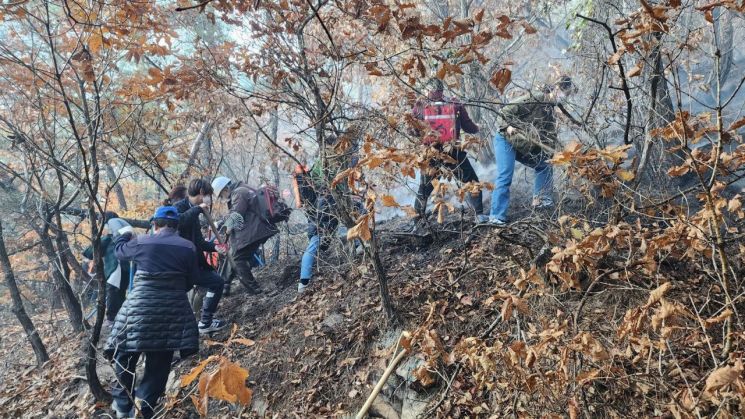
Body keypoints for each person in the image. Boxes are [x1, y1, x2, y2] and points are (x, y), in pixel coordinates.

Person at [105, 206, 200, 419]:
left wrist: (124, 236)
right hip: (172, 312)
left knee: (124, 355)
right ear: (176, 226)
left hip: (139, 308)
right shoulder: (188, 247)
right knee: (160, 361)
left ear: (154, 224)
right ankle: (145, 407)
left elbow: (120, 252)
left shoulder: (142, 241)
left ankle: (122, 407)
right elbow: (193, 279)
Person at [489, 76, 577, 226]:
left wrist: (557, 156)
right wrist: (508, 126)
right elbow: (504, 112)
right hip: (506, 140)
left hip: (524, 146)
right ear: (556, 88)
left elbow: (548, 138)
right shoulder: (535, 98)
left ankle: (542, 200)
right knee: (505, 175)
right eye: (563, 92)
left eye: (567, 95)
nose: (564, 97)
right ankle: (496, 216)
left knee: (545, 164)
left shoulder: (549, 112)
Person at [412, 78, 486, 225]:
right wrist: (478, 127)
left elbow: (413, 130)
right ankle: (480, 216)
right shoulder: (455, 103)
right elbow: (468, 127)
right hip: (453, 151)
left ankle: (417, 222)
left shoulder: (419, 106)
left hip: (431, 153)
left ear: (427, 91)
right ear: (442, 91)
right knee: (471, 181)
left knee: (425, 188)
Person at [172, 178, 227, 334]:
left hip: (194, 264)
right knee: (176, 300)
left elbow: (199, 242)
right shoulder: (179, 208)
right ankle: (182, 330)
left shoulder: (193, 210)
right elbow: (179, 222)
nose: (209, 199)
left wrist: (216, 248)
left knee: (216, 282)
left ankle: (205, 322)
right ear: (202, 193)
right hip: (179, 266)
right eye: (208, 195)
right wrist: (198, 209)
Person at [212, 176, 278, 295]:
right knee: (233, 254)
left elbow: (236, 215)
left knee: (237, 259)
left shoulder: (239, 192)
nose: (222, 198)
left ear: (225, 189)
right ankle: (224, 285)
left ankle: (255, 290)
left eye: (221, 195)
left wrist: (222, 225)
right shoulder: (242, 189)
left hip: (255, 231)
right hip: (256, 229)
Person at [82, 211, 131, 324]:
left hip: (116, 269)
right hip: (126, 270)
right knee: (120, 294)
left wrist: (98, 238)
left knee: (113, 293)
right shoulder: (124, 237)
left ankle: (112, 320)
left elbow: (89, 252)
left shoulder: (110, 238)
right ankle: (120, 319)